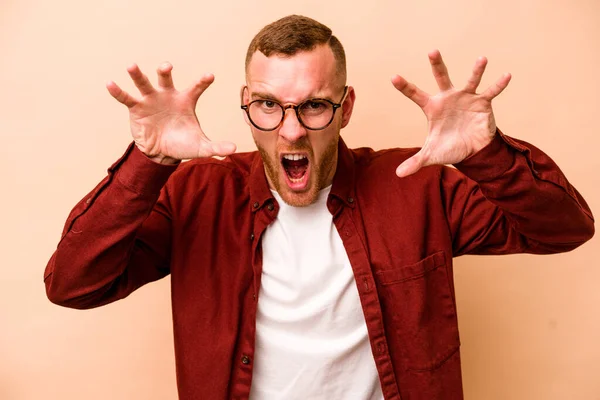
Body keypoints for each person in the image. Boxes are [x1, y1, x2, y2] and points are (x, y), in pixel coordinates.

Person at [44, 14, 594, 400]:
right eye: (267, 105)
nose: (289, 131)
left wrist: (487, 153)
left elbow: (565, 229)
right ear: (246, 105)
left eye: (313, 106)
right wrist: (148, 161)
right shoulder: (195, 195)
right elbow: (73, 284)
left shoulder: (419, 186)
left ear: (345, 106)